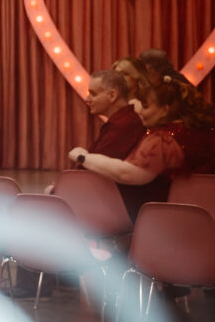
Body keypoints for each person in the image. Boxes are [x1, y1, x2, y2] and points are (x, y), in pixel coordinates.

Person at [69, 76, 215, 218]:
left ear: (165, 109)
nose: (139, 111)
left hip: (170, 219)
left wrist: (83, 157)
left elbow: (126, 173)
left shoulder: (162, 140)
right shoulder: (202, 131)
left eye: (145, 106)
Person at [83, 70, 147, 160]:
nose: (87, 100)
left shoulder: (123, 126)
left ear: (112, 95)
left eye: (93, 94)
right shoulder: (123, 121)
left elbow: (96, 167)